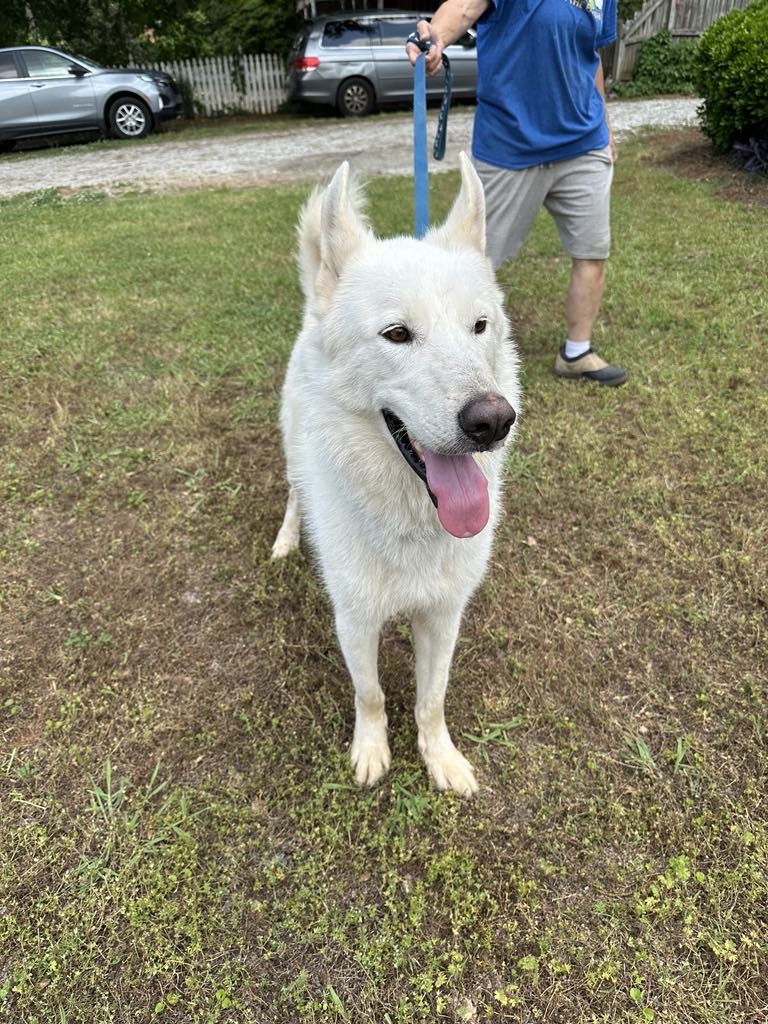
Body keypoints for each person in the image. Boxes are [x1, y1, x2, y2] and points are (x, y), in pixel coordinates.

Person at [407, 0, 627, 386]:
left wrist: (605, 125)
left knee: (592, 252)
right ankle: (439, 348)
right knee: (470, 258)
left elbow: (591, 55)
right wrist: (434, 37)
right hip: (509, 147)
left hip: (583, 143)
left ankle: (577, 353)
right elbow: (462, 9)